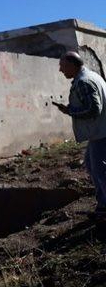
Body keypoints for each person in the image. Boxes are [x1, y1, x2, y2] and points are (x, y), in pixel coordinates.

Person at [55, 51, 106, 217]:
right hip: (98, 132)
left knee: (100, 171)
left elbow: (93, 109)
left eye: (62, 66)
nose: (61, 70)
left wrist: (70, 111)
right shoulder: (92, 76)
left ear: (72, 65)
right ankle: (102, 205)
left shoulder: (84, 81)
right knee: (92, 167)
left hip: (101, 133)